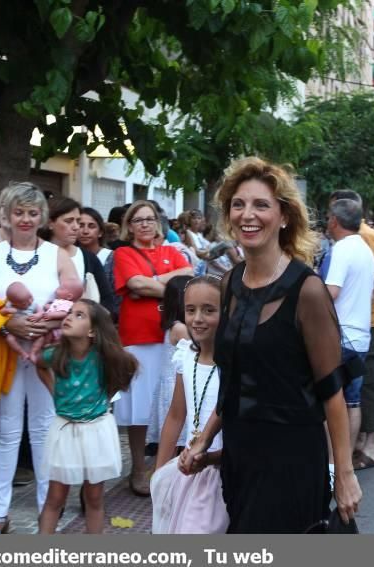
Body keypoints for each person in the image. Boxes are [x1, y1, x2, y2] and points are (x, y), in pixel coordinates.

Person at [180, 157, 361, 532]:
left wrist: (343, 474)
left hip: (293, 460)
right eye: (239, 204)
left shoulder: (307, 289)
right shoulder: (230, 283)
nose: (248, 214)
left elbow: (332, 393)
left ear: (283, 216)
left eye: (261, 204)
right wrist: (205, 441)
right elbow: (234, 382)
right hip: (240, 457)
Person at [0, 182, 78, 534]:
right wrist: (10, 323)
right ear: (6, 214)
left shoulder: (57, 254)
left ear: (43, 217)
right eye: (18, 212)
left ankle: (46, 512)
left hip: (46, 352)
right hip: (4, 351)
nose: (25, 219)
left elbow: (73, 298)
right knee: (5, 431)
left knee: (43, 429)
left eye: (32, 213)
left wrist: (47, 321)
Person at [112, 201, 193, 496]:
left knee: (172, 401)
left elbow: (187, 279)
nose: (145, 224)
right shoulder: (123, 253)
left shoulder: (172, 250)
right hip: (138, 336)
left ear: (158, 223)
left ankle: (170, 466)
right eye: (138, 220)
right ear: (129, 225)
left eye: (150, 219)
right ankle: (136, 467)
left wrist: (150, 284)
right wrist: (167, 284)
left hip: (170, 334)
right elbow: (133, 283)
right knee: (138, 408)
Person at [36, 300, 137, 534]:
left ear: (92, 330)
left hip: (96, 430)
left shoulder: (103, 358)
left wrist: (107, 396)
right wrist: (54, 393)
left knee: (94, 498)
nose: (69, 317)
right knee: (55, 497)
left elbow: (128, 366)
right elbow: (39, 365)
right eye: (70, 313)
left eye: (79, 315)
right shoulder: (56, 354)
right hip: (64, 430)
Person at [151, 276, 229, 534]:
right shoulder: (186, 355)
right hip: (188, 468)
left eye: (209, 310)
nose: (197, 318)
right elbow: (176, 415)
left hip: (222, 466)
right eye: (190, 310)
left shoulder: (233, 364)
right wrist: (161, 471)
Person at [323, 199, 374, 470]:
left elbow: (330, 292)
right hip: (360, 337)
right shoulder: (365, 249)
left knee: (328, 399)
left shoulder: (342, 249)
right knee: (352, 401)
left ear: (334, 220)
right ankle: (345, 463)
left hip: (338, 336)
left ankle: (331, 462)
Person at [147, 276, 191, 449]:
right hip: (176, 387)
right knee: (177, 440)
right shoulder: (180, 328)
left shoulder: (174, 325)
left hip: (171, 385)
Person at [43, 198, 112, 310]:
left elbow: (107, 302)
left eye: (78, 221)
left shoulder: (88, 258)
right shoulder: (36, 254)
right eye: (69, 221)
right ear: (50, 223)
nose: (76, 227)